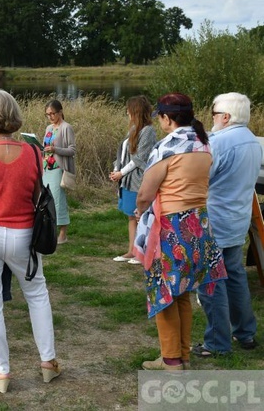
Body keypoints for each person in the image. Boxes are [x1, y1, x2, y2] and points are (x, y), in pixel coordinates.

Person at [0, 90, 60, 393]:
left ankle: (1, 372)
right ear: (14, 117)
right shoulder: (32, 153)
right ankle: (48, 363)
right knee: (37, 294)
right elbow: (35, 198)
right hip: (21, 235)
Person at [134, 93, 227, 371]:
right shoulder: (204, 144)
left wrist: (140, 211)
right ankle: (180, 355)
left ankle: (172, 361)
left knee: (164, 292)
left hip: (171, 228)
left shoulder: (167, 147)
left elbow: (144, 193)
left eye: (161, 116)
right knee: (183, 292)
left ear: (166, 118)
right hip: (199, 226)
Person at [194, 92, 262, 357]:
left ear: (226, 117)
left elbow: (202, 177)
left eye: (214, 114)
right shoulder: (253, 140)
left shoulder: (219, 142)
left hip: (216, 219)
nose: (211, 119)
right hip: (238, 218)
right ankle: (245, 333)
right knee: (235, 276)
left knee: (211, 280)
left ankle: (217, 342)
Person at [110, 96, 156, 264]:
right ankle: (131, 250)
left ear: (136, 110)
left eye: (129, 109)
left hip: (138, 179)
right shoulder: (134, 128)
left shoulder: (148, 130)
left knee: (141, 216)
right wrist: (116, 169)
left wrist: (121, 173)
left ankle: (142, 252)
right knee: (131, 215)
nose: (127, 112)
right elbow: (123, 153)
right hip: (127, 180)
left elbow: (140, 158)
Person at [42, 99, 76, 244]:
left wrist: (56, 149)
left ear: (60, 112)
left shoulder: (66, 127)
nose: (50, 117)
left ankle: (63, 233)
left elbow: (72, 150)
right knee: (46, 200)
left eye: (52, 113)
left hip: (58, 168)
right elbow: (46, 146)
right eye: (47, 114)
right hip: (46, 168)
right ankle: (49, 230)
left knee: (58, 200)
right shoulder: (49, 128)